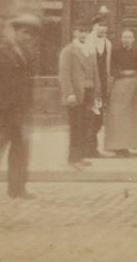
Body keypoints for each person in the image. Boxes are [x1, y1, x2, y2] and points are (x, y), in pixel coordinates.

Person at [0, 14, 40, 201]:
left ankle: (17, 189)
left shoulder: (28, 55)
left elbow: (27, 84)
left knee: (19, 151)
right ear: (15, 32)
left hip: (19, 112)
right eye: (24, 33)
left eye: (31, 35)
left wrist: (27, 108)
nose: (27, 37)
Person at [58, 19, 101, 170]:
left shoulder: (89, 50)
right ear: (74, 33)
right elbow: (64, 74)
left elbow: (95, 72)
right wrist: (69, 93)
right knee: (75, 126)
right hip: (75, 94)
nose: (83, 35)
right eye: (80, 31)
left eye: (86, 32)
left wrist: (97, 91)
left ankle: (81, 156)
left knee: (85, 126)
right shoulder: (69, 51)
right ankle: (73, 158)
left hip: (88, 93)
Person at [105, 28, 137, 157]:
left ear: (133, 39)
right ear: (121, 39)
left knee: (133, 116)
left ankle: (129, 145)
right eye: (124, 37)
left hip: (135, 86)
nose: (126, 39)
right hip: (120, 85)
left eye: (129, 37)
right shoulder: (115, 52)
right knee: (119, 116)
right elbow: (112, 69)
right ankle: (118, 147)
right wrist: (121, 73)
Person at [86, 14, 112, 158]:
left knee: (99, 117)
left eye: (104, 26)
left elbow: (107, 67)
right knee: (90, 117)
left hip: (102, 84)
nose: (102, 28)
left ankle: (91, 148)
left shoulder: (108, 43)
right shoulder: (88, 41)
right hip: (90, 84)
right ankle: (89, 149)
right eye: (99, 25)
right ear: (93, 26)